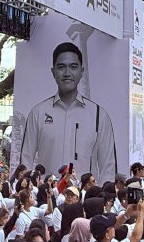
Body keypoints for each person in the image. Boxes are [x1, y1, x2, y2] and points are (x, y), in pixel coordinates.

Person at [18, 43, 117, 184]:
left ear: (82, 71)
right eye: (61, 67)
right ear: (53, 72)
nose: (67, 73)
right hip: (47, 197)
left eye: (73, 67)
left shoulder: (99, 115)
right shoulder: (38, 113)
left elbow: (108, 166)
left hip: (84, 198)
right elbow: (26, 159)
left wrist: (99, 197)